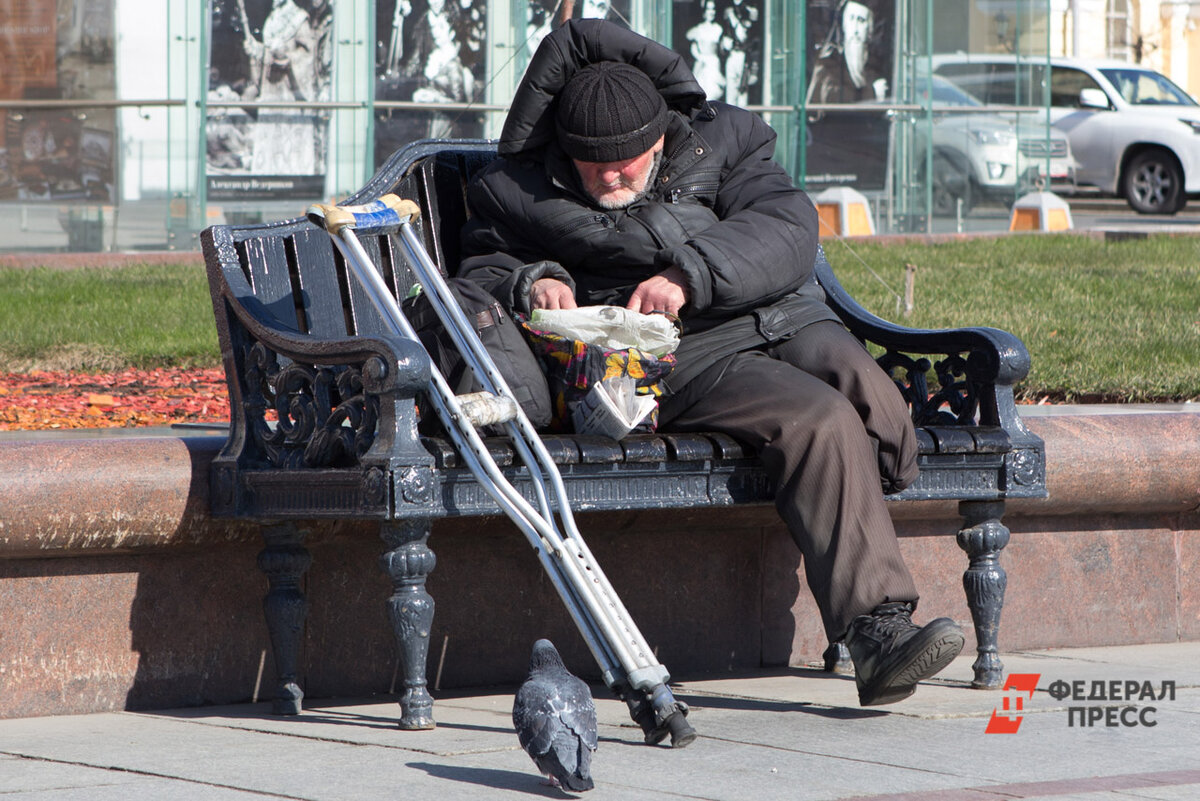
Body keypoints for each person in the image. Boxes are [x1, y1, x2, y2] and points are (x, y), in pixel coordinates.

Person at [458, 19, 964, 708]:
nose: (611, 175)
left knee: (879, 412)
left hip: (778, 312)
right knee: (820, 421)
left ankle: (839, 514)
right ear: (563, 150)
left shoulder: (723, 136)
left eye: (629, 160)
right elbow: (482, 268)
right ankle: (877, 632)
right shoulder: (513, 188)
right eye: (592, 163)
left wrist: (690, 273)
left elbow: (785, 226)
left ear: (662, 135)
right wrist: (533, 279)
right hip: (679, 354)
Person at [806, 0, 889, 104]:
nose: (855, 30)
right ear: (844, 25)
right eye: (851, 19)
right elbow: (833, 99)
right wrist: (873, 92)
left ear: (870, 31)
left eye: (861, 21)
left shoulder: (875, 65)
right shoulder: (828, 64)